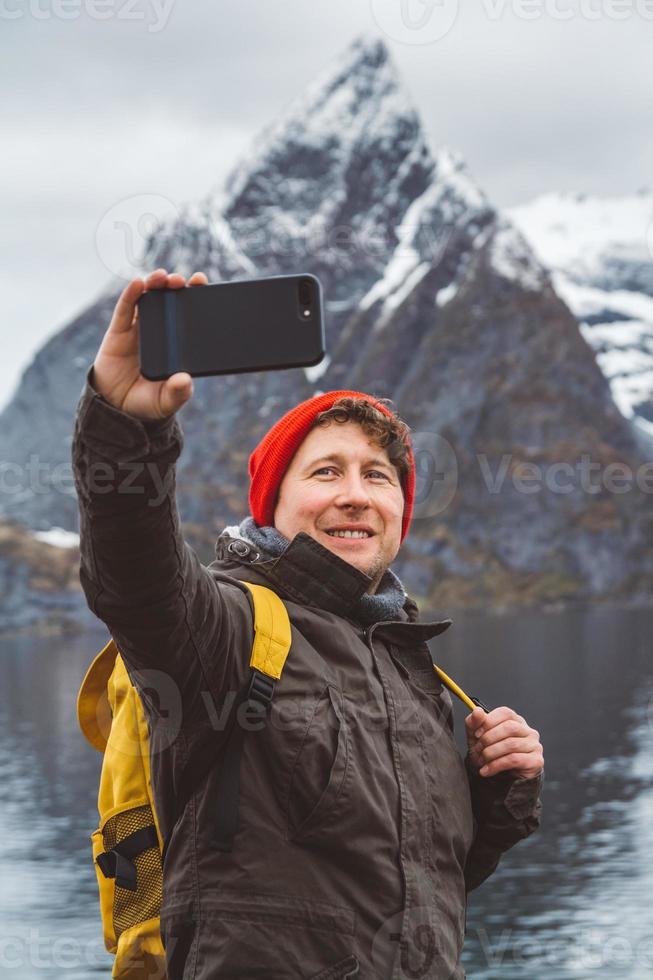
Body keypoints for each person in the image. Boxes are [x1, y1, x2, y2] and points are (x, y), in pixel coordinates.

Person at [73, 268, 544, 980]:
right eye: (325, 473)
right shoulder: (223, 628)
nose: (355, 495)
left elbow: (414, 887)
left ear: (400, 513)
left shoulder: (413, 669)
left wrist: (496, 791)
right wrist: (128, 426)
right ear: (273, 504)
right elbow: (134, 573)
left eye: (377, 476)